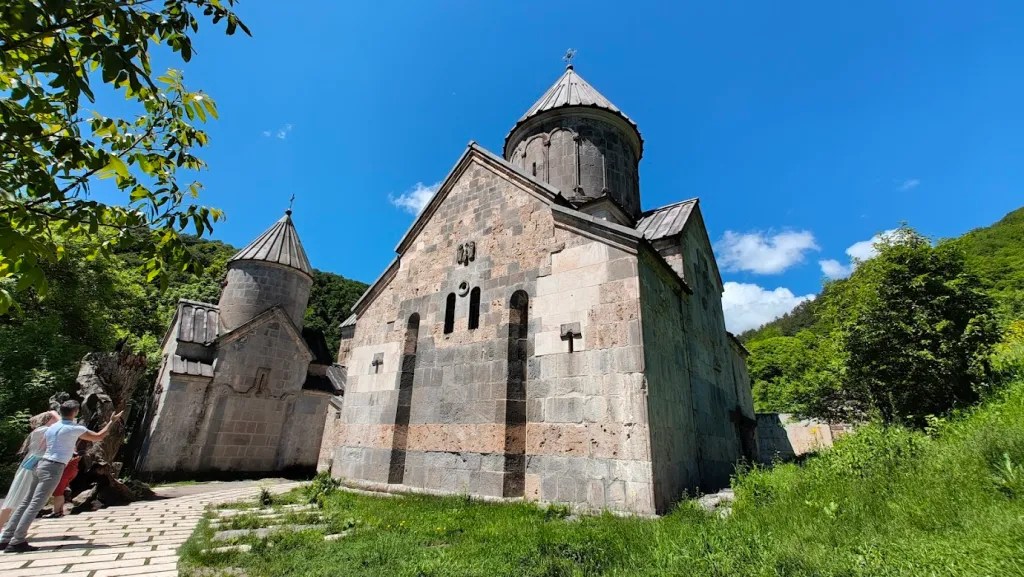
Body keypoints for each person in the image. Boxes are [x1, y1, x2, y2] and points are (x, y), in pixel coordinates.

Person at [0, 400, 123, 553]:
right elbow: (98, 436)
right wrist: (111, 422)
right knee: (35, 504)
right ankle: (17, 541)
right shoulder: (74, 428)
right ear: (76, 412)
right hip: (54, 466)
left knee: (26, 502)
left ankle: (5, 538)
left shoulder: (51, 428)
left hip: (41, 464)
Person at [0, 411, 59, 528]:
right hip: (32, 468)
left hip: (32, 466)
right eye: (54, 418)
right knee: (17, 497)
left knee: (17, 498)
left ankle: (8, 528)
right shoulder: (44, 430)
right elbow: (65, 423)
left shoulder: (40, 430)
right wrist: (54, 413)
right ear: (48, 420)